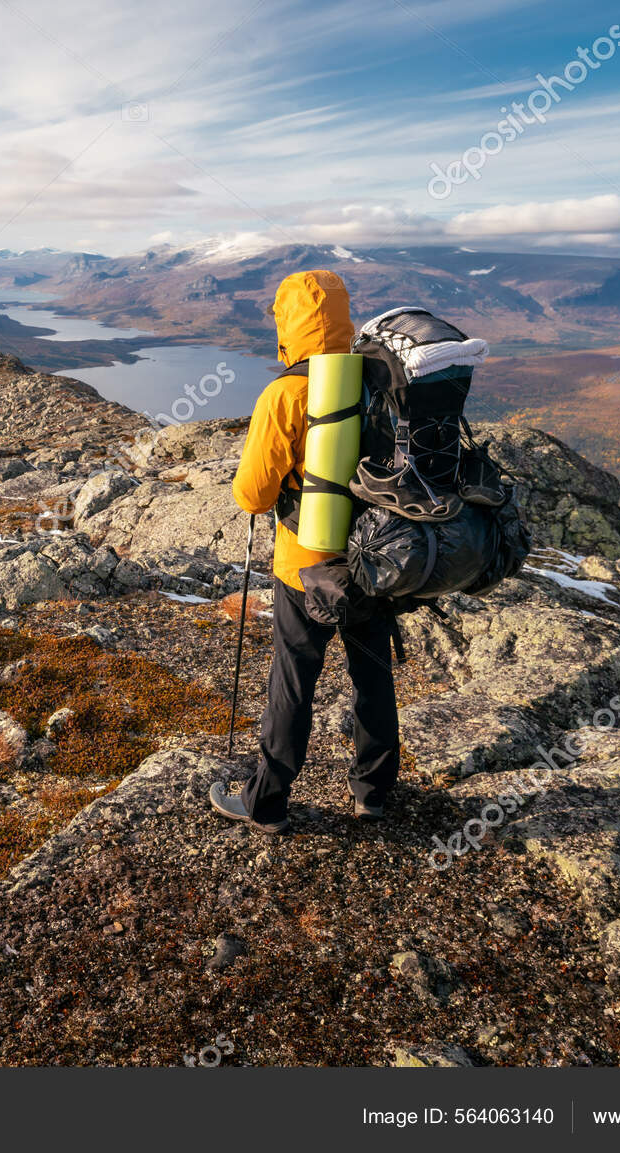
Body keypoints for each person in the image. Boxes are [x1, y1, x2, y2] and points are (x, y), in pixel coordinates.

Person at [208, 270, 400, 834]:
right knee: (373, 677)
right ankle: (374, 794)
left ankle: (266, 801)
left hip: (306, 567)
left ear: (288, 324)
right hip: (377, 558)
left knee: (294, 680)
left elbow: (253, 493)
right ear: (343, 318)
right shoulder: (378, 382)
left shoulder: (286, 392)